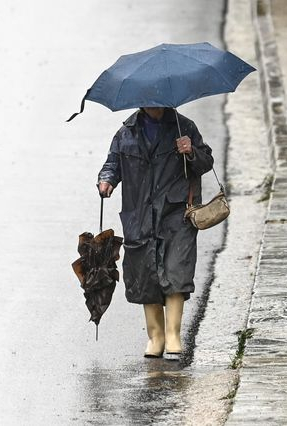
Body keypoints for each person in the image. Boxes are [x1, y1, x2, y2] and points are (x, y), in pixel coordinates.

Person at [97, 107, 213, 360]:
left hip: (176, 212)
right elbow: (112, 164)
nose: (153, 104)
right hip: (139, 214)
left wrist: (191, 151)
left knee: (176, 269)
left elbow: (206, 162)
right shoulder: (125, 133)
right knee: (146, 274)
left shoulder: (185, 126)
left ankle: (173, 335)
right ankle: (156, 336)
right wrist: (106, 180)